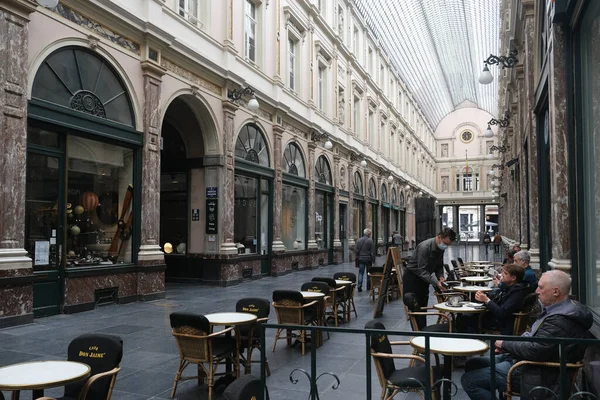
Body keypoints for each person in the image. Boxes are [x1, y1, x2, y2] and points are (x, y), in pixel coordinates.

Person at [461, 270, 593, 400]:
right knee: (473, 364)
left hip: (538, 374)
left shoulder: (560, 320)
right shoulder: (557, 310)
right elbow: (536, 342)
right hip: (526, 361)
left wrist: (505, 343)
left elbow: (535, 350)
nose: (536, 291)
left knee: (469, 380)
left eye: (541, 288)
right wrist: (509, 346)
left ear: (556, 292)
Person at [402, 227, 456, 329]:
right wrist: (436, 282)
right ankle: (418, 334)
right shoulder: (425, 247)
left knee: (423, 308)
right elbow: (421, 270)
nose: (446, 247)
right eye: (445, 243)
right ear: (439, 237)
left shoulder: (440, 248)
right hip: (413, 278)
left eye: (448, 245)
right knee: (415, 309)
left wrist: (440, 277)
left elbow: (439, 265)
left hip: (423, 279)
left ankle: (423, 332)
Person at [458, 264, 527, 335]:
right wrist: (483, 297)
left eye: (505, 274)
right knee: (467, 316)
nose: (502, 275)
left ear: (513, 278)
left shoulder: (517, 292)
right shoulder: (510, 287)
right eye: (502, 273)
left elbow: (501, 312)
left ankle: (472, 340)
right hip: (494, 317)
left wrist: (486, 300)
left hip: (501, 323)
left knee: (465, 319)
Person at [355, 228, 376, 293]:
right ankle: (368, 286)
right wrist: (373, 260)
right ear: (369, 234)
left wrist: (358, 257)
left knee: (361, 273)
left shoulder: (359, 240)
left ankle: (359, 286)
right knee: (368, 273)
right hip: (368, 259)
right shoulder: (370, 241)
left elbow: (356, 250)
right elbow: (372, 252)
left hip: (361, 259)